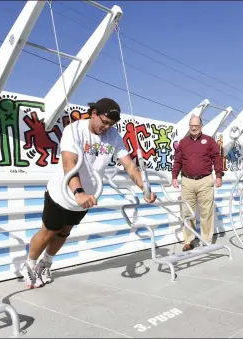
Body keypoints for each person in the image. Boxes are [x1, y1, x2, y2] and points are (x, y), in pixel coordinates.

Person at [21, 98, 157, 288]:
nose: (107, 127)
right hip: (63, 193)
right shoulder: (74, 130)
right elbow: (69, 163)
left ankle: (46, 264)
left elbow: (130, 166)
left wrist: (145, 188)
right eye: (105, 122)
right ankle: (29, 264)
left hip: (88, 197)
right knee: (49, 231)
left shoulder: (113, 136)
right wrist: (78, 192)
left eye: (111, 124)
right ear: (94, 113)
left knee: (65, 231)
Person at [172, 116, 223, 251]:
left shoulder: (210, 141)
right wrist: (174, 176)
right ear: (189, 126)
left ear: (201, 126)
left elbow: (217, 159)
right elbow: (178, 161)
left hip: (205, 180)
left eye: (196, 125)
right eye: (191, 126)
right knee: (187, 211)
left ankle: (206, 240)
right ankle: (188, 240)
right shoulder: (183, 142)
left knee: (207, 212)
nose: (193, 128)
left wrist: (218, 175)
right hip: (187, 181)